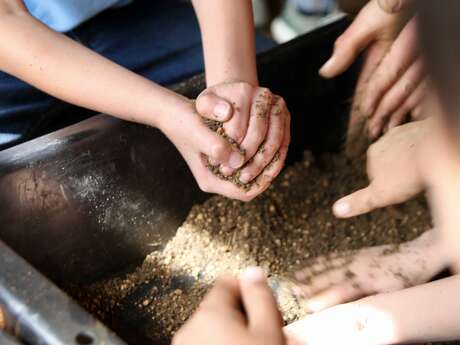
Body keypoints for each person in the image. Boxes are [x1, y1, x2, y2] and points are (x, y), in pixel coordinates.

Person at [0, 0, 291, 202]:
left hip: (131, 17)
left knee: (279, 80)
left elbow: (233, 93)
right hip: (11, 57)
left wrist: (231, 85)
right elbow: (7, 18)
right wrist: (164, 112)